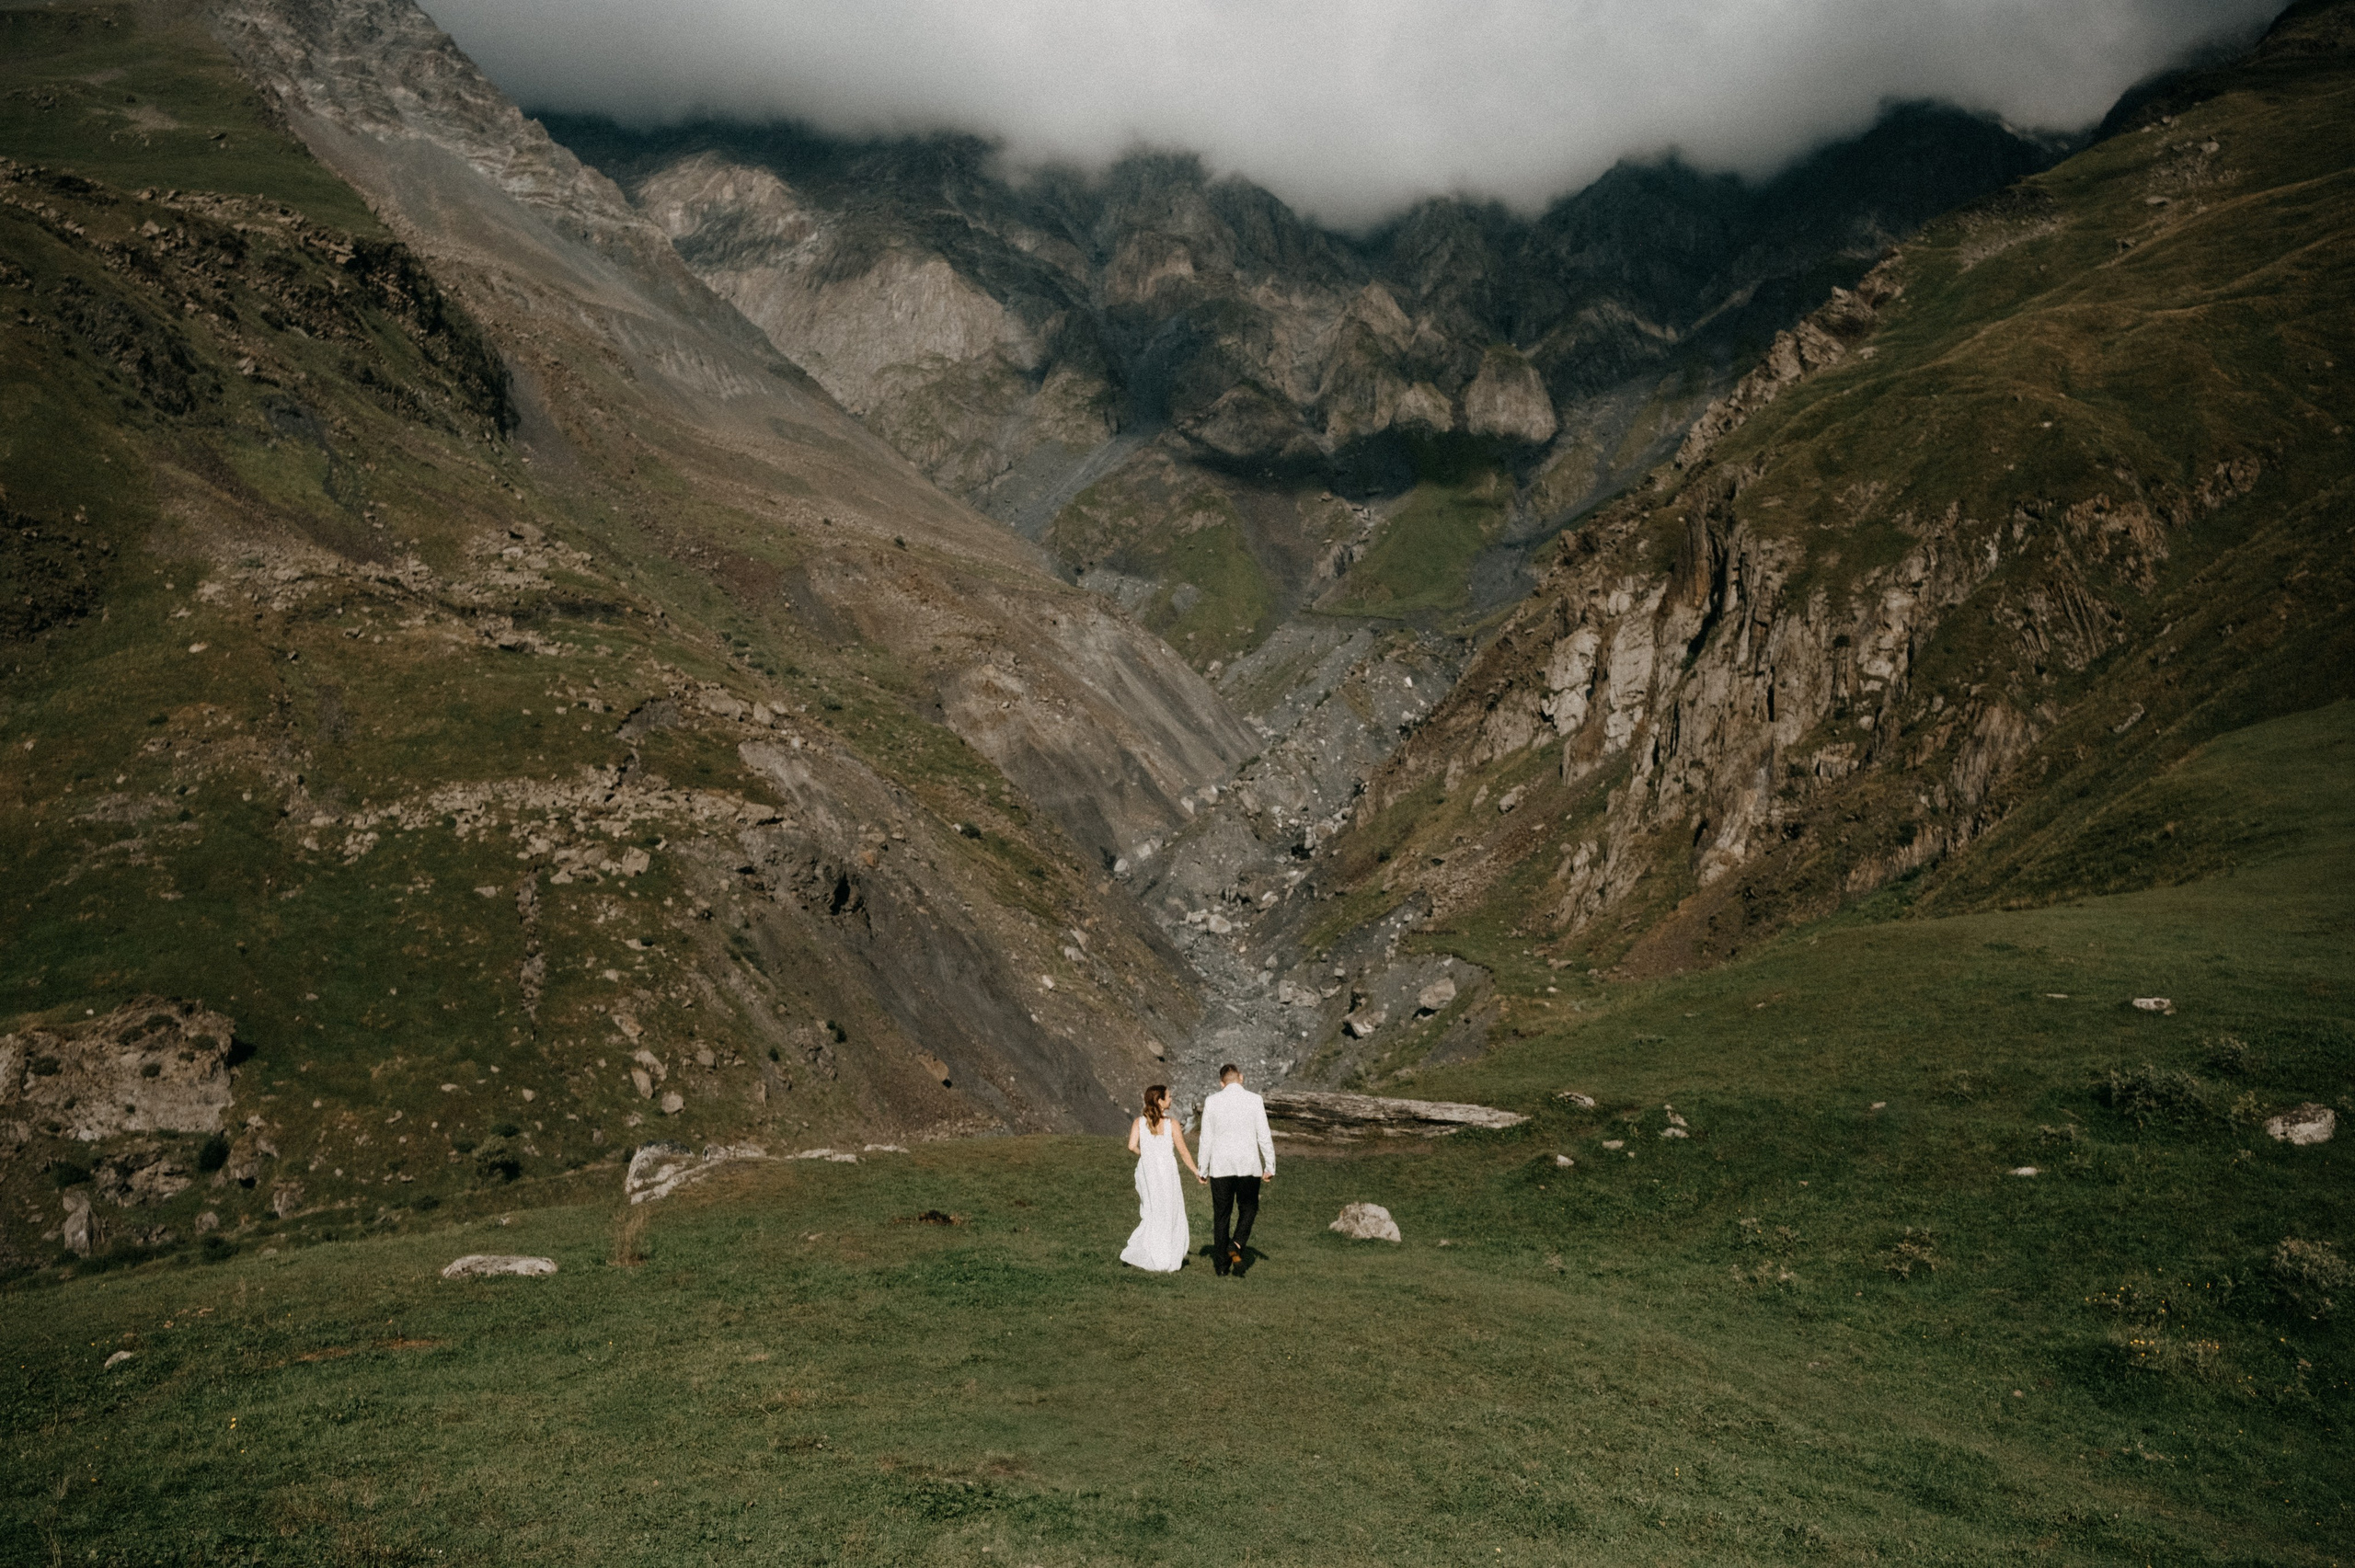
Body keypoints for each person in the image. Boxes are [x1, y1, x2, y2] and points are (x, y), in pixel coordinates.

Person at [1195, 1063, 1274, 1276]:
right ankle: (1237, 1244)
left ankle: (1221, 1266)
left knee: (1222, 1214)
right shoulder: (1255, 1100)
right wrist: (1270, 1165)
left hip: (1221, 1166)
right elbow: (1263, 1135)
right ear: (1241, 1077)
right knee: (1248, 1208)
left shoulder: (1211, 1102)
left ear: (1221, 1083)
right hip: (1248, 1165)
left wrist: (1203, 1168)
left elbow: (1206, 1139)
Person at [1119, 1084, 1201, 1272]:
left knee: (1151, 1211)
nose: (1171, 1100)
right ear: (1160, 1101)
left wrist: (1146, 1156)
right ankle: (1166, 1254)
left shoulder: (1138, 1122)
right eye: (1169, 1097)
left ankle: (1148, 1249)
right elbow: (1183, 1152)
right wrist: (1196, 1172)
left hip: (1147, 1172)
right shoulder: (1171, 1124)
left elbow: (1132, 1145)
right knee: (1170, 1210)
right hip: (1166, 1172)